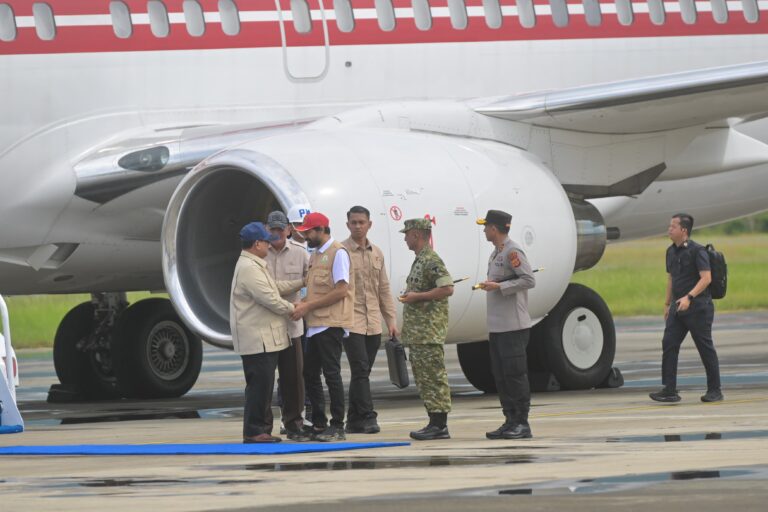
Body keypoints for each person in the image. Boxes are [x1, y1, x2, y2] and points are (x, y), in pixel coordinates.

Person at [230, 222, 303, 443]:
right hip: (257, 338)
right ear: (257, 244)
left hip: (262, 337)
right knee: (259, 386)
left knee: (261, 384)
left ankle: (257, 429)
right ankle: (254, 431)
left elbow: (274, 287)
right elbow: (270, 299)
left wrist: (302, 282)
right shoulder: (250, 268)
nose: (268, 245)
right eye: (265, 242)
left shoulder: (254, 264)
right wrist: (295, 309)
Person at [291, 212, 355, 441]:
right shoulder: (315, 255)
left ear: (321, 229)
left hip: (331, 323)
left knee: (331, 374)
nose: (306, 236)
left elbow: (341, 290)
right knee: (309, 373)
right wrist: (302, 305)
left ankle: (338, 425)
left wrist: (308, 306)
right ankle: (319, 422)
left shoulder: (338, 253)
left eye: (308, 232)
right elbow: (314, 289)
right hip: (315, 324)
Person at [650, 213, 723, 403]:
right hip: (678, 308)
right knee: (669, 343)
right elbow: (671, 278)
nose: (669, 229)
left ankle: (715, 390)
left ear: (683, 230)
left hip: (698, 308)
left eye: (672, 226)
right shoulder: (670, 251)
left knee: (705, 348)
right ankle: (669, 390)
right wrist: (667, 304)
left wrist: (689, 297)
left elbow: (706, 278)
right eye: (669, 226)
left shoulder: (697, 251)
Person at [476, 210, 536, 439]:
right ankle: (510, 420)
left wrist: (500, 287)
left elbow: (528, 279)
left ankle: (522, 422)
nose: (484, 230)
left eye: (486, 226)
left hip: (513, 326)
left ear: (494, 228)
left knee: (515, 375)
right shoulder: (496, 253)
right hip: (498, 326)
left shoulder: (513, 251)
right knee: (501, 376)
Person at [341, 206, 398, 434]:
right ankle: (368, 416)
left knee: (362, 372)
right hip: (351, 321)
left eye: (361, 222)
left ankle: (353, 419)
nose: (357, 226)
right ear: (347, 225)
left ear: (369, 224)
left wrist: (391, 320)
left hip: (373, 322)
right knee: (361, 368)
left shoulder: (377, 253)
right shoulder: (341, 252)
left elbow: (383, 288)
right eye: (353, 222)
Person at [399, 218, 454, 441]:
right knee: (424, 379)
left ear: (417, 235)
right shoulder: (420, 260)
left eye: (407, 234)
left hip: (429, 332)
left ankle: (440, 425)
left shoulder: (431, 260)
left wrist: (417, 297)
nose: (405, 238)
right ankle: (434, 421)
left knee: (433, 377)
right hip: (419, 333)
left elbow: (447, 288)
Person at [264, 210, 312, 442]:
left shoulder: (301, 254)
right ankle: (264, 428)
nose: (276, 233)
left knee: (294, 377)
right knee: (264, 378)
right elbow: (268, 289)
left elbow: (313, 284)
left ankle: (294, 423)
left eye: (280, 229)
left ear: (289, 230)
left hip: (292, 324)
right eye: (272, 229)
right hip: (265, 325)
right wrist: (298, 284)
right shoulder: (258, 253)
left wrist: (304, 303)